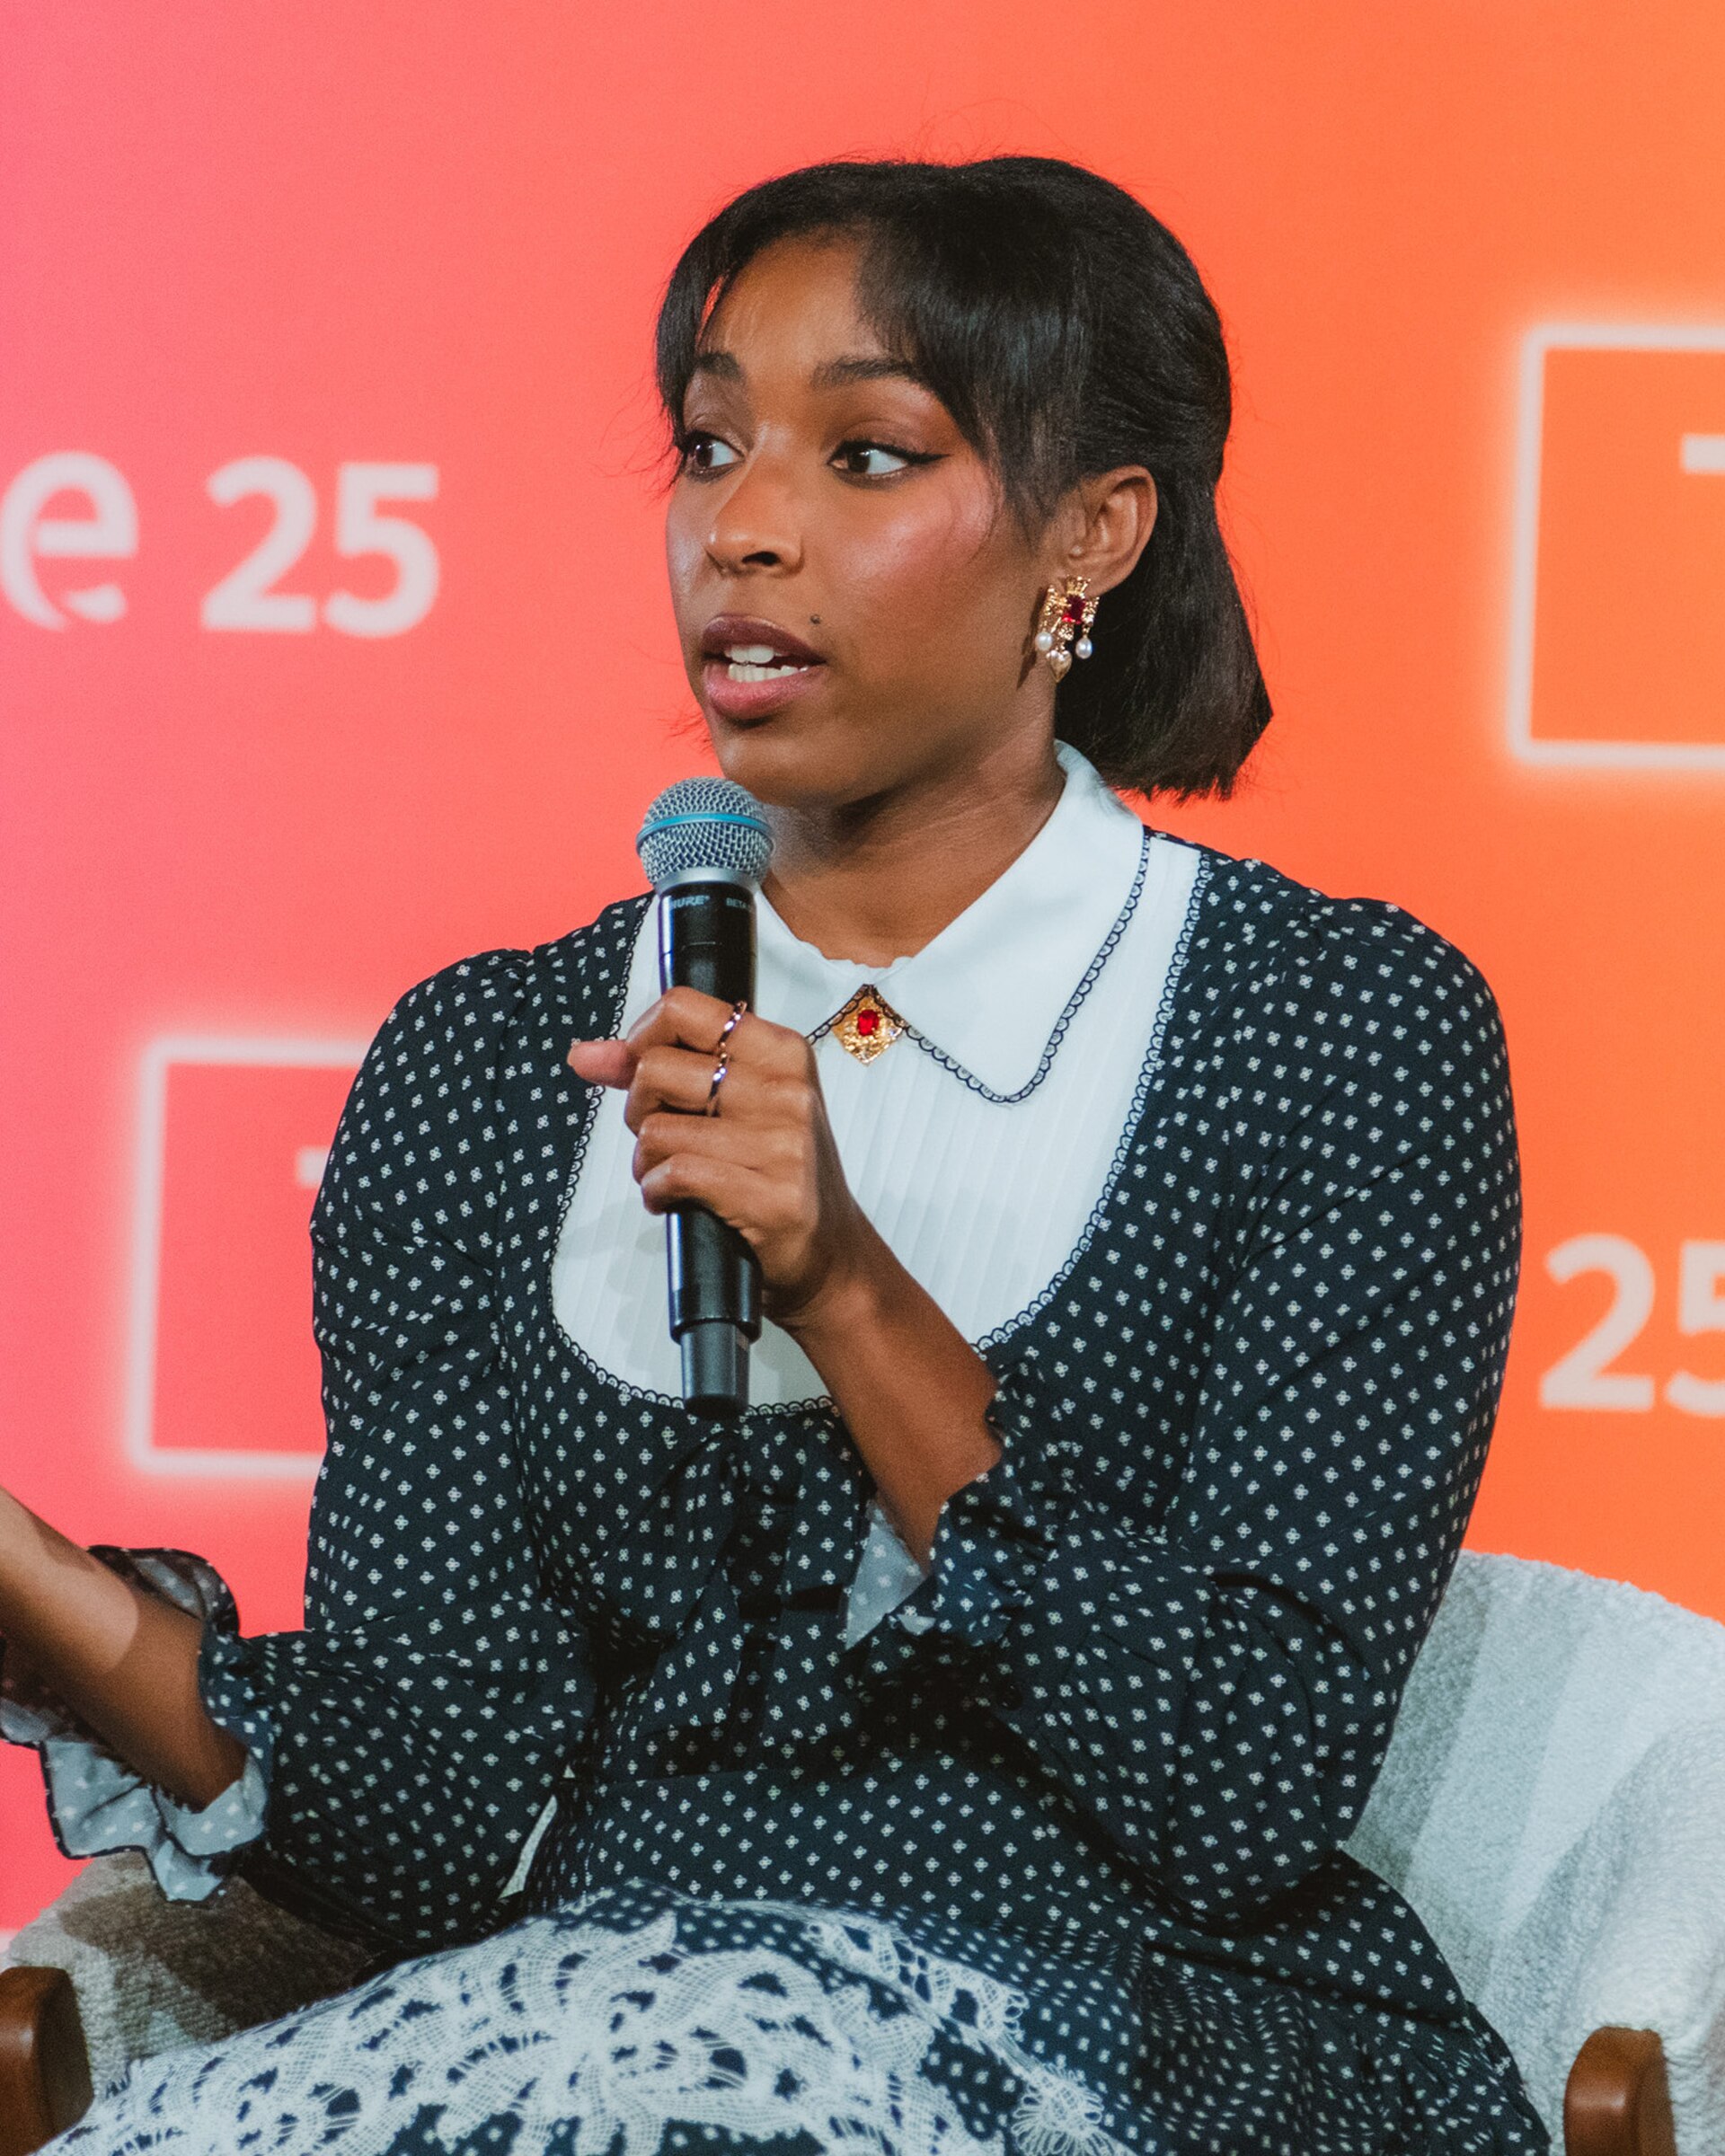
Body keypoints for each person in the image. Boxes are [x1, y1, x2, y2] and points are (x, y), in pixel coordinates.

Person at [0, 156, 1544, 2153]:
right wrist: (38, 1591)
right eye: (710, 444)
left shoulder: (1337, 1032)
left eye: (869, 456)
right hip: (578, 2022)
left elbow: (1234, 1781)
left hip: (1120, 2033)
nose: (743, 528)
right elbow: (438, 1823)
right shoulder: (485, 1067)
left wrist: (846, 1286)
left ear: (1094, 536)